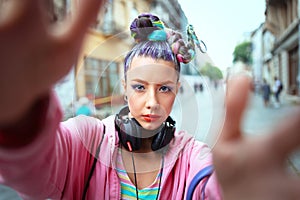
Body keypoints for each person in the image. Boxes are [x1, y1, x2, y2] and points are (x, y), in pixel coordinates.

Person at [0, 2, 300, 200]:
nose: (151, 102)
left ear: (178, 90)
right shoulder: (86, 139)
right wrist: (19, 114)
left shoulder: (192, 155)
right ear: (124, 86)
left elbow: (211, 184)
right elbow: (36, 167)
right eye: (140, 87)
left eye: (165, 89)